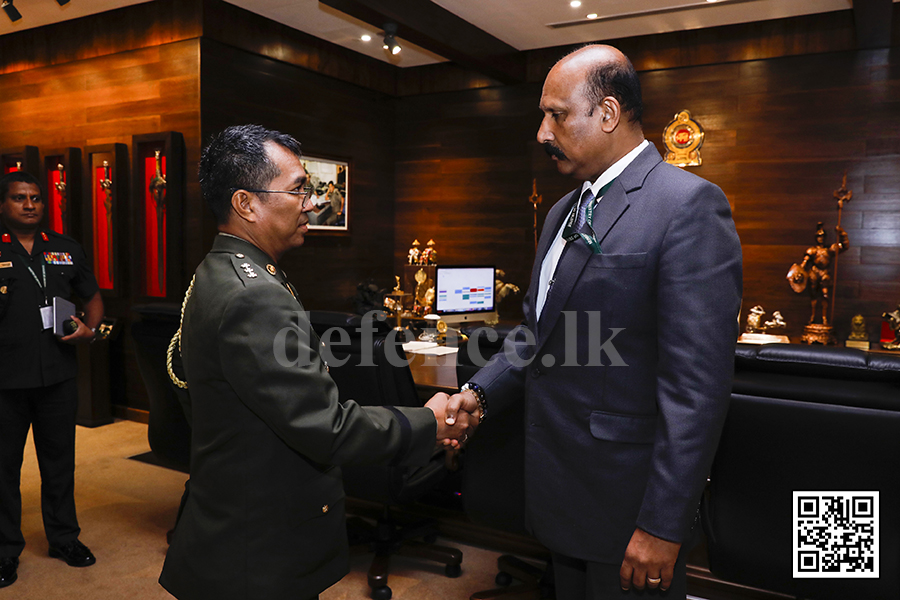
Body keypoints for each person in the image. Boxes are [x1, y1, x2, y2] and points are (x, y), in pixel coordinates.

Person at [446, 45, 743, 599]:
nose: (541, 132)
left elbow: (696, 390)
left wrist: (662, 523)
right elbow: (539, 336)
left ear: (607, 114)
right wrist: (478, 393)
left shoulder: (689, 206)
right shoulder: (563, 210)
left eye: (556, 114)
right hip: (560, 491)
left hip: (629, 507)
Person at [158, 124, 478, 600]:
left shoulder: (218, 269)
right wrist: (429, 421)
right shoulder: (256, 296)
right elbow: (326, 427)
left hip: (232, 512)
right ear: (246, 203)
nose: (311, 204)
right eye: (298, 191)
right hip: (258, 548)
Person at [0, 171, 104, 589]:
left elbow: (92, 297)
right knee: (4, 470)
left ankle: (64, 538)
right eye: (19, 198)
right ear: (3, 204)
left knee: (59, 465)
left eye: (36, 198)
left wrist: (90, 330)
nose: (30, 205)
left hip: (57, 378)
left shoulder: (64, 249)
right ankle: (6, 550)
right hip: (5, 382)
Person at [789, 221, 848, 325]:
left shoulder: (829, 249)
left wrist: (841, 233)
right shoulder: (812, 250)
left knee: (825, 295)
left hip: (825, 272)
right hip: (814, 272)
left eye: (822, 236)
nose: (820, 238)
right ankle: (812, 316)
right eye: (819, 236)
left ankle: (824, 317)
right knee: (813, 295)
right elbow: (804, 263)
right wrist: (799, 272)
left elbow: (844, 246)